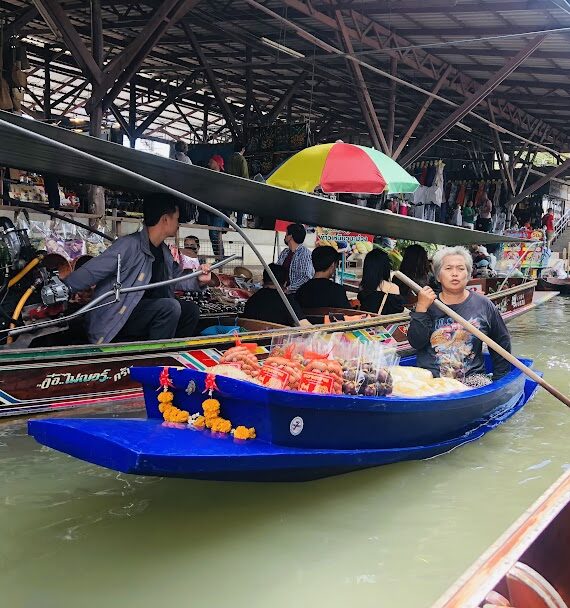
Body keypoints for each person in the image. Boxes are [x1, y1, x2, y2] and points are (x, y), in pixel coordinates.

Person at [64, 194, 211, 344]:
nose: (178, 224)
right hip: (120, 317)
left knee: (190, 310)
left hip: (146, 315)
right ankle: (154, 359)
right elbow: (93, 270)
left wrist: (198, 280)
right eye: (177, 219)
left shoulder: (164, 252)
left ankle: (173, 353)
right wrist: (64, 288)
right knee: (169, 307)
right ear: (165, 219)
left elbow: (176, 278)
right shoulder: (129, 245)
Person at [408, 246, 511, 382]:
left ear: (468, 275)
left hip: (471, 381)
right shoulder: (427, 304)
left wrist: (499, 382)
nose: (455, 273)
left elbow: (501, 344)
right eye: (448, 268)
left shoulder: (484, 304)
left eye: (461, 269)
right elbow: (416, 342)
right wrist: (421, 308)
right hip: (432, 382)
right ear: (438, 276)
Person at [243, 263, 309, 327]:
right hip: (278, 338)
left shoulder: (252, 300)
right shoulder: (287, 302)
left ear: (263, 281)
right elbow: (305, 327)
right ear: (285, 283)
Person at [358, 249, 405, 315]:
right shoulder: (393, 288)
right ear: (386, 267)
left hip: (368, 323)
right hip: (388, 324)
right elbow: (398, 311)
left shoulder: (363, 287)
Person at [200, 154, 228, 259]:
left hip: (219, 210)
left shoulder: (224, 178)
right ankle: (220, 257)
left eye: (211, 162)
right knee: (214, 234)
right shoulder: (209, 176)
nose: (209, 164)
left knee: (214, 234)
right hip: (211, 210)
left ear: (217, 163)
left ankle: (220, 257)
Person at [277, 223, 314, 293]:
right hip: (281, 292)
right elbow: (277, 270)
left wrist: (287, 289)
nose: (285, 236)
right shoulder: (285, 252)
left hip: (296, 296)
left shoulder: (305, 254)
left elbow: (305, 278)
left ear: (290, 236)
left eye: (286, 233)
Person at [226, 140, 249, 227]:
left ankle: (226, 222)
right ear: (242, 149)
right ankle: (239, 223)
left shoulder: (229, 158)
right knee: (240, 205)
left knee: (229, 205)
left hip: (230, 185)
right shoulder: (241, 159)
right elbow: (244, 174)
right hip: (240, 186)